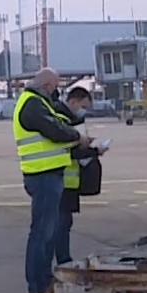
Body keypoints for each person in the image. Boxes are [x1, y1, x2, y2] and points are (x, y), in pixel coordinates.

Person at [14, 68, 86, 293]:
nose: (56, 92)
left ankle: (44, 282)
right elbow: (54, 130)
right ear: (46, 86)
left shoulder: (38, 102)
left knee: (47, 232)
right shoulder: (33, 103)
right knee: (42, 234)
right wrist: (76, 136)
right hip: (43, 175)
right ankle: (38, 287)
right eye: (55, 87)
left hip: (48, 174)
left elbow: (58, 125)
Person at [55, 86, 105, 267]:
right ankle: (63, 260)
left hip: (69, 180)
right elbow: (69, 150)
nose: (83, 111)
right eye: (82, 106)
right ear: (72, 101)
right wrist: (94, 151)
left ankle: (63, 259)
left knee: (64, 223)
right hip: (62, 179)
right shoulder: (62, 119)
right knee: (60, 224)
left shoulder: (73, 119)